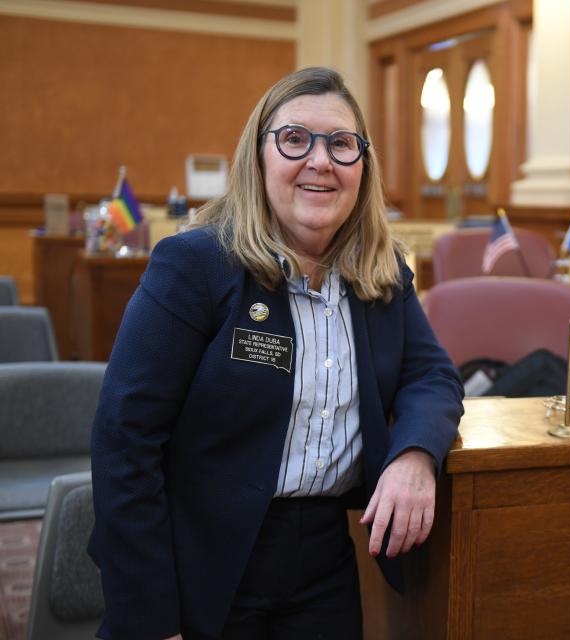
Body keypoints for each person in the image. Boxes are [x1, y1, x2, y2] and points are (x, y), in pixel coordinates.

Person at [88, 67, 464, 640]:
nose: (321, 161)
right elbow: (124, 442)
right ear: (258, 157)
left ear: (363, 166)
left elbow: (432, 376)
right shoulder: (194, 266)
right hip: (198, 563)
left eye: (342, 144)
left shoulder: (381, 275)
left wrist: (415, 456)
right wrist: (151, 620)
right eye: (295, 139)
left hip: (325, 564)